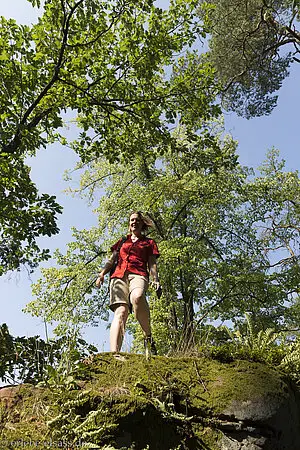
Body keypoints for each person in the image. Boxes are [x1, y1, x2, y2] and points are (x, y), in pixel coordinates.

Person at [96, 211, 160, 355]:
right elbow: (112, 260)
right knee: (121, 311)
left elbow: (152, 263)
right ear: (129, 224)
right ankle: (114, 354)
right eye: (131, 220)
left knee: (137, 297)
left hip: (138, 274)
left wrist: (155, 279)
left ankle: (148, 337)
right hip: (118, 276)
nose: (134, 222)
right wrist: (101, 274)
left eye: (137, 220)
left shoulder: (149, 242)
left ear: (142, 223)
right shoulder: (123, 241)